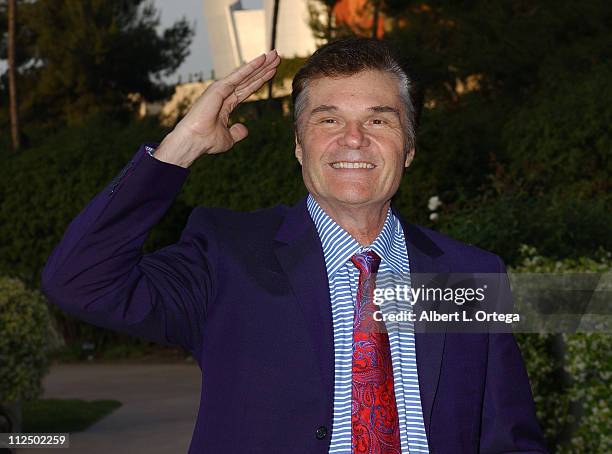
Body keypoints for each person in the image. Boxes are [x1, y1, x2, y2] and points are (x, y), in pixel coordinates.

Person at [41, 38, 547, 453]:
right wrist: (184, 143)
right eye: (328, 120)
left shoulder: (468, 275)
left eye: (379, 119)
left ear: (409, 149)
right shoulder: (228, 255)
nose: (354, 138)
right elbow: (80, 280)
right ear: (299, 146)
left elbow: (509, 436)